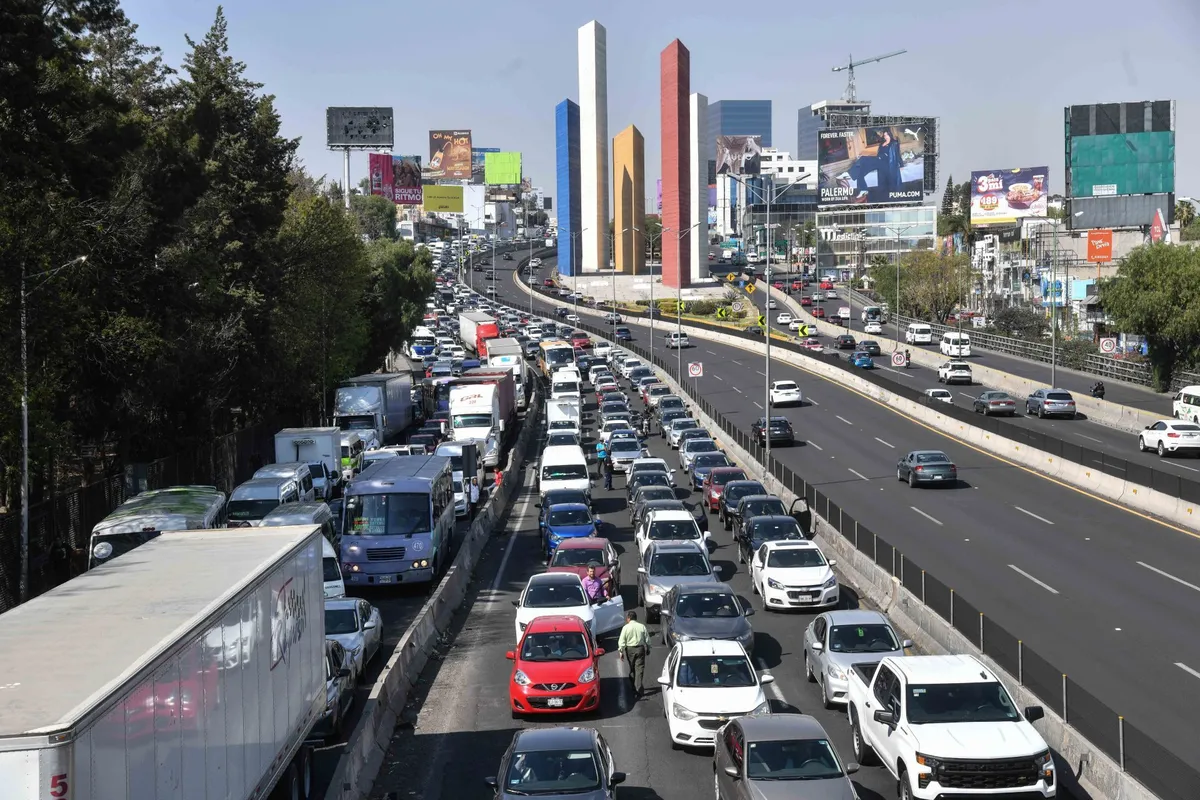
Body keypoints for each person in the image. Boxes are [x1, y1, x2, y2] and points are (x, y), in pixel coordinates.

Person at [848, 128, 903, 203]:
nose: (886, 136)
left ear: (890, 135)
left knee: (890, 187)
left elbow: (897, 154)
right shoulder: (882, 144)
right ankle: (863, 189)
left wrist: (901, 164)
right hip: (880, 164)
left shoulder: (894, 143)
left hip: (888, 166)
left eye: (887, 135)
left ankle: (850, 174)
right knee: (860, 172)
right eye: (884, 135)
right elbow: (878, 155)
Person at [617, 610, 651, 698]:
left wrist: (621, 651)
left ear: (629, 618)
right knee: (639, 669)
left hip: (630, 650)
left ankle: (633, 686)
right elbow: (647, 639)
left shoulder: (625, 628)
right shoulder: (642, 626)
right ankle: (638, 688)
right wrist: (648, 648)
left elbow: (622, 641)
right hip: (640, 649)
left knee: (632, 668)